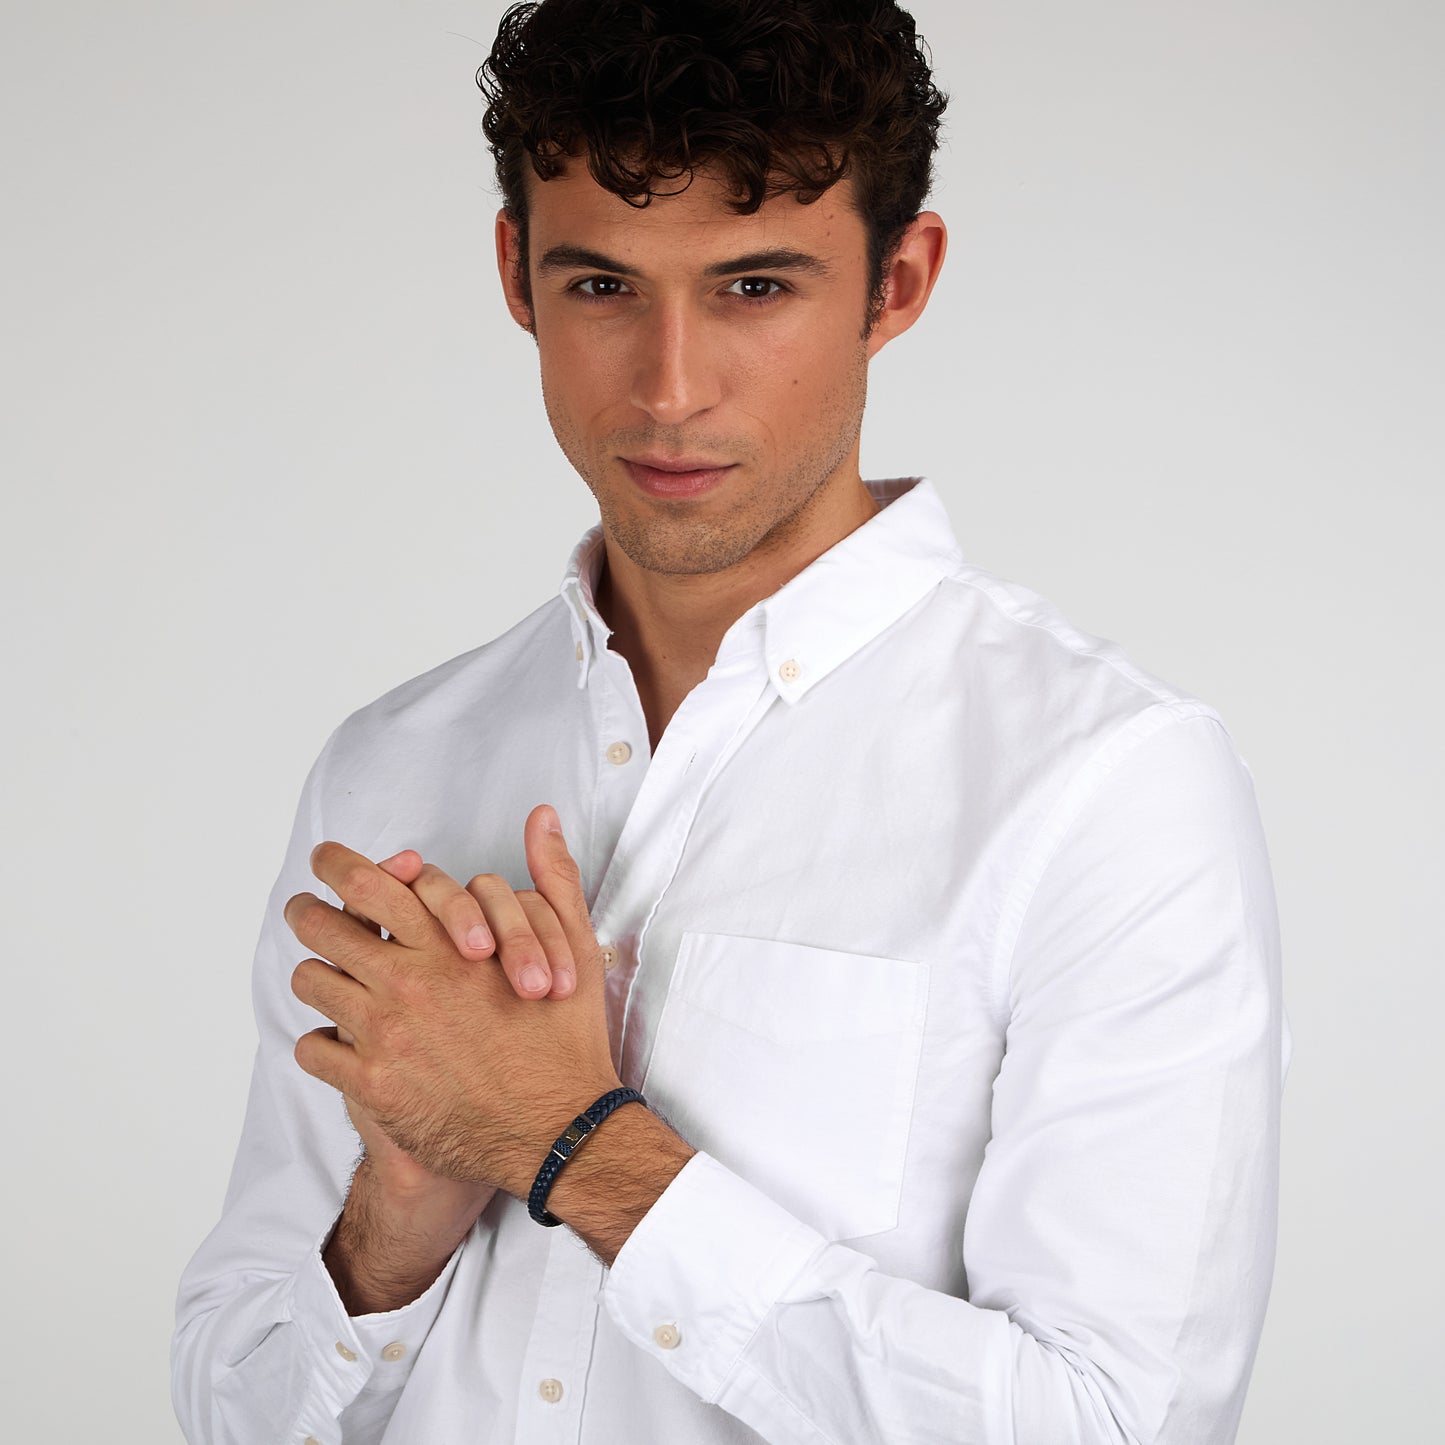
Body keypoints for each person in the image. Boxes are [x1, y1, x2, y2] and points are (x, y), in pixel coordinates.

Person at [172, 1, 1288, 1441]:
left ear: (898, 281)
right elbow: (231, 1409)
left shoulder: (1105, 786)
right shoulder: (392, 763)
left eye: (754, 287)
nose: (670, 388)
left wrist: (573, 1145)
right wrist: (393, 1220)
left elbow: (1120, 1424)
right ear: (515, 273)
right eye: (601, 286)